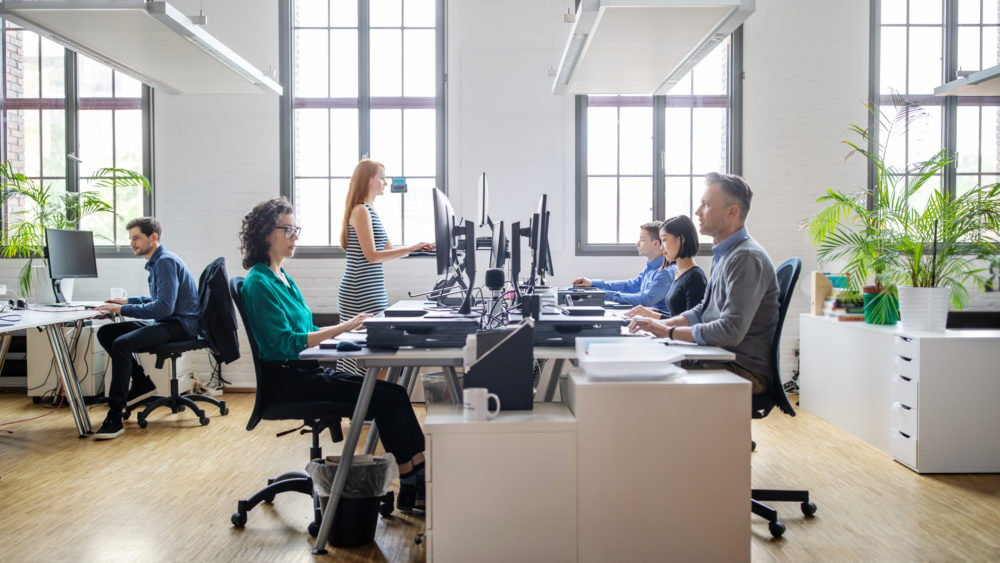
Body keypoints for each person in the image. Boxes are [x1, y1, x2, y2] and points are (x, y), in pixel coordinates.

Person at [241, 197, 427, 511]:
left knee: (395, 392)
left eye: (295, 229)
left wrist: (353, 331)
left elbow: (307, 326)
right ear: (265, 235)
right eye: (288, 230)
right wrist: (343, 328)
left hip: (306, 372)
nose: (294, 236)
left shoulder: (282, 278)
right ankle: (412, 485)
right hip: (290, 381)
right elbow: (288, 342)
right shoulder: (258, 284)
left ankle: (421, 475)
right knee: (386, 399)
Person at [629, 173, 779, 393]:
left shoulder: (745, 258)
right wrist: (663, 326)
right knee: (641, 362)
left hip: (742, 369)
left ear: (732, 211)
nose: (698, 212)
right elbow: (703, 310)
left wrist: (667, 332)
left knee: (644, 376)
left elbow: (730, 331)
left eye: (706, 205)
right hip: (720, 356)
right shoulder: (725, 254)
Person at [94, 217, 200, 440]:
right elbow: (160, 300)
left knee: (122, 344)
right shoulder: (158, 261)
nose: (132, 243)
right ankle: (141, 382)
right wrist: (126, 301)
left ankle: (114, 415)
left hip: (179, 326)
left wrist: (122, 310)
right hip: (170, 321)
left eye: (136, 238)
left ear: (153, 238)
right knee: (107, 333)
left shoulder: (164, 262)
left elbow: (163, 308)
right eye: (130, 238)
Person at [338, 159, 433, 375]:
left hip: (373, 290)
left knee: (378, 355)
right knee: (369, 355)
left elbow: (387, 250)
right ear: (368, 180)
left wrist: (419, 248)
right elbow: (372, 256)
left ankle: (371, 405)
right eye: (381, 177)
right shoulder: (361, 211)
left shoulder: (370, 211)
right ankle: (360, 405)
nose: (386, 183)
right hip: (360, 292)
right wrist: (411, 247)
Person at [571, 221, 675, 310]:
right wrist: (593, 283)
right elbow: (629, 286)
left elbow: (645, 300)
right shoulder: (651, 268)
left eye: (642, 240)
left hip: (657, 325)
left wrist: (604, 294)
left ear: (656, 244)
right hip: (645, 318)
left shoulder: (664, 272)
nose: (637, 243)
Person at [627, 215, 707, 319]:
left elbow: (692, 324)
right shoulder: (679, 273)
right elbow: (677, 315)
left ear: (681, 239)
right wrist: (652, 313)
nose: (661, 247)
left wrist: (655, 316)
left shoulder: (695, 278)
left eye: (664, 240)